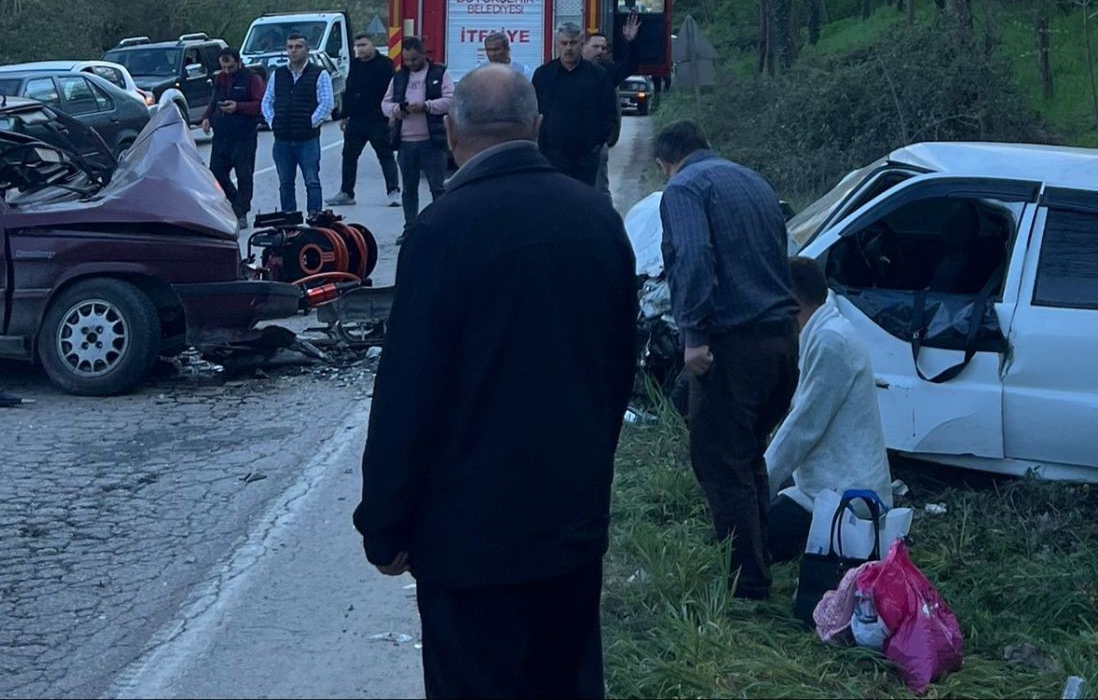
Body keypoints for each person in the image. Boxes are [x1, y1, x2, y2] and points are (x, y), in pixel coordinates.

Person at [354, 65, 637, 699]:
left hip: (468, 545)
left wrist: (385, 524)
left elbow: (408, 395)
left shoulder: (440, 233)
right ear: (537, 128)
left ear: (451, 133)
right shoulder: (596, 220)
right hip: (569, 528)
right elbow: (620, 370)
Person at [655, 120, 799, 600]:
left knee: (719, 463)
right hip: (780, 340)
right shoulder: (752, 180)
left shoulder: (684, 187)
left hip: (730, 345)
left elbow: (694, 257)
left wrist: (693, 336)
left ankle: (747, 586)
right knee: (747, 456)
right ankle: (760, 558)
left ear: (667, 162)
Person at [764, 258, 893, 563]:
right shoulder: (825, 328)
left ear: (792, 302)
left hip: (847, 495)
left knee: (748, 537)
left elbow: (803, 427)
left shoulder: (831, 342)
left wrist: (760, 482)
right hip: (826, 480)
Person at [381, 37, 454, 245]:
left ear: (424, 55)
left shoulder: (440, 74)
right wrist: (398, 109)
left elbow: (450, 100)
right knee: (409, 189)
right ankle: (410, 228)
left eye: (414, 59)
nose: (411, 63)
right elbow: (385, 104)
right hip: (405, 142)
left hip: (432, 141)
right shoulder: (399, 78)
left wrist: (426, 106)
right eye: (407, 60)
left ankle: (442, 227)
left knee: (437, 188)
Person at [531, 23, 618, 187]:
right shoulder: (543, 75)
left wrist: (597, 143)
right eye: (564, 43)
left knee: (582, 201)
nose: (568, 48)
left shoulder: (598, 76)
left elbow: (609, 112)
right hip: (551, 155)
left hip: (585, 157)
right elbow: (534, 111)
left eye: (573, 43)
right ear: (557, 44)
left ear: (581, 44)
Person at [261, 32, 334, 215]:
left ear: (307, 50)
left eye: (298, 47)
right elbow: (267, 101)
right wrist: (273, 121)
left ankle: (315, 217)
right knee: (285, 183)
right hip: (282, 140)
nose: (293, 51)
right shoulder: (278, 74)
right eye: (290, 47)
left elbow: (326, 103)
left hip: (307, 140)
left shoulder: (319, 73)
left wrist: (310, 123)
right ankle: (289, 221)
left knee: (312, 181)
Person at [327, 34, 401, 207]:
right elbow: (349, 89)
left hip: (378, 118)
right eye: (357, 46)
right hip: (357, 119)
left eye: (363, 45)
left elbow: (392, 90)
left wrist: (391, 115)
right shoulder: (355, 64)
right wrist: (344, 115)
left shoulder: (385, 64)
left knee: (385, 155)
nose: (360, 49)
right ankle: (346, 192)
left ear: (372, 45)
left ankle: (393, 191)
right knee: (349, 156)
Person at [200, 48, 265, 229]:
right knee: (216, 175)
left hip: (244, 136)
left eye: (230, 66)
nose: (227, 70)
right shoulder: (219, 79)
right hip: (221, 136)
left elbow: (260, 105)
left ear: (238, 62)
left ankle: (241, 211)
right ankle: (235, 202)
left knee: (244, 175)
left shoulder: (252, 79)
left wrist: (238, 107)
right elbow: (214, 101)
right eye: (224, 67)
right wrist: (206, 118)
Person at [584, 15, 641, 198]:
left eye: (604, 47)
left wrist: (630, 42)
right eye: (595, 47)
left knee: (599, 190)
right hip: (567, 144)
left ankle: (605, 223)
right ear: (583, 47)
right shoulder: (568, 71)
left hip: (596, 144)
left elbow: (629, 66)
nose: (601, 51)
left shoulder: (607, 72)